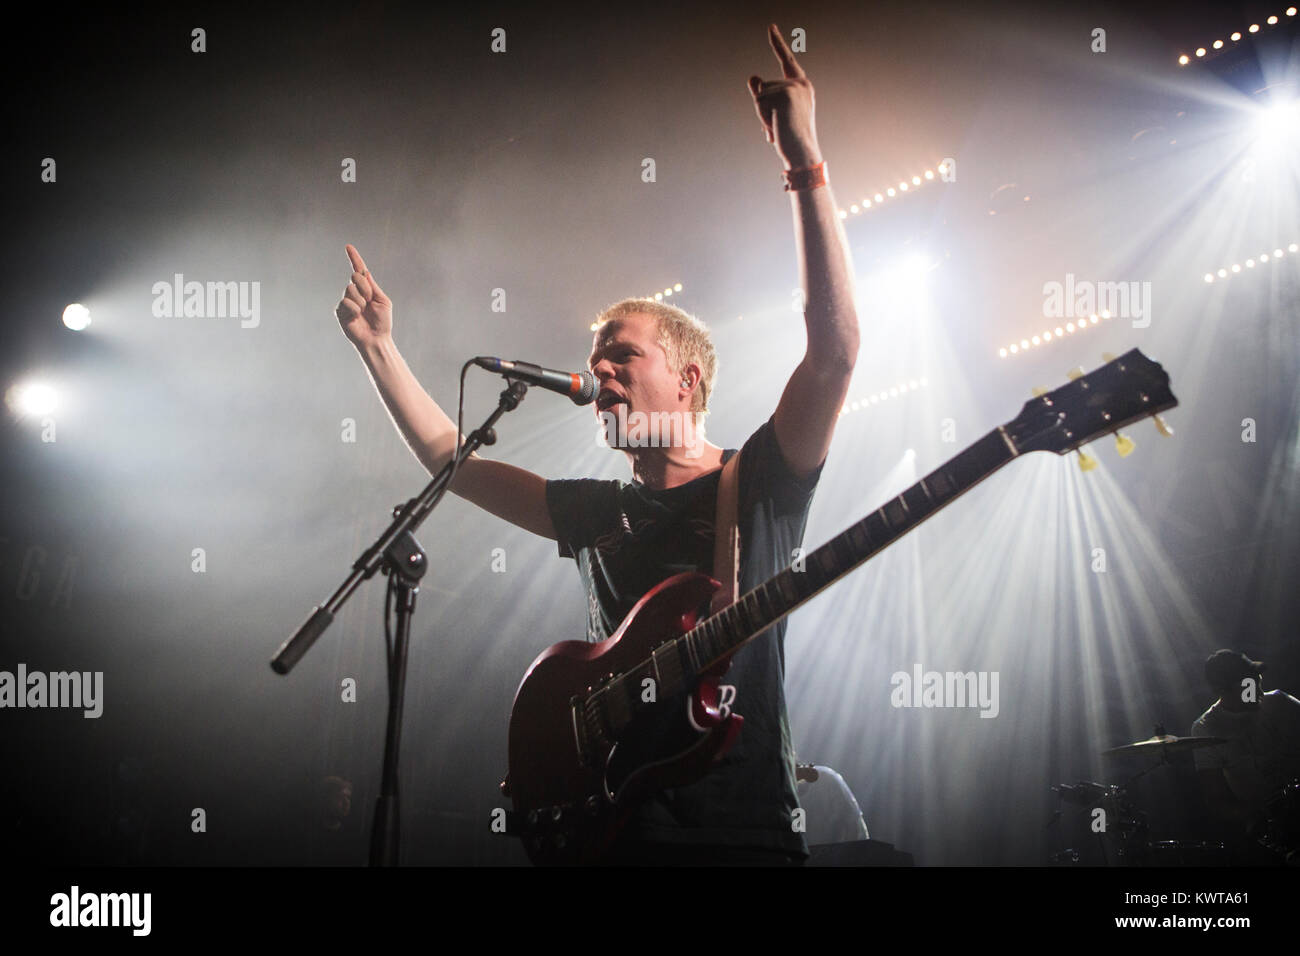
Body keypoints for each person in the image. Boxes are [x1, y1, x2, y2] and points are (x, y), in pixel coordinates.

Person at [334, 23, 859, 864]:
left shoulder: (755, 480)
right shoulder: (593, 510)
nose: (600, 370)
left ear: (687, 380)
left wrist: (805, 163)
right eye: (593, 359)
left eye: (623, 353)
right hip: (610, 835)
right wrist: (378, 349)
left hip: (739, 835)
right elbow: (447, 459)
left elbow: (832, 355)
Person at [1190, 649, 1300, 859]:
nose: (1259, 691)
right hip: (1269, 830)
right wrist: (1256, 815)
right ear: (1223, 690)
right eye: (1249, 686)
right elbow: (1216, 800)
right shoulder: (1206, 729)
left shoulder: (1280, 703)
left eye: (1258, 681)